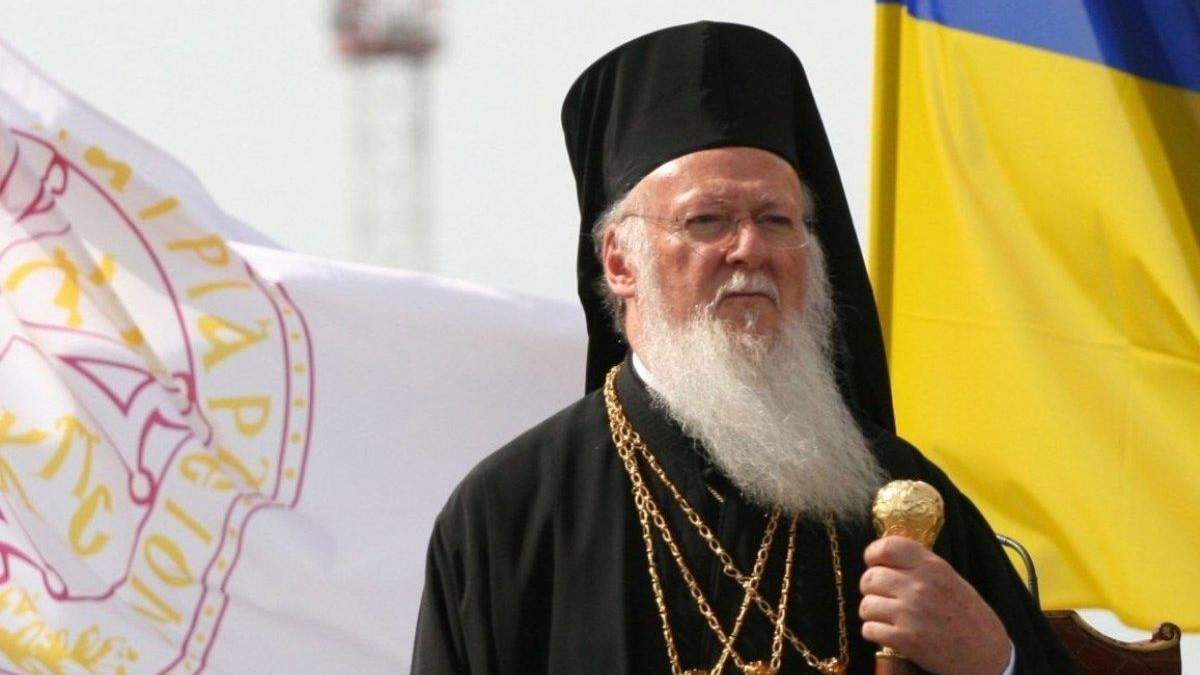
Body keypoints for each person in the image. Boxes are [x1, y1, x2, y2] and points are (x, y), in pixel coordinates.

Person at [411, 22, 1075, 675]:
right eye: (708, 220)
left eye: (776, 220)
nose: (750, 248)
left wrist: (994, 661)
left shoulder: (899, 503)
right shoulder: (508, 517)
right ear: (619, 262)